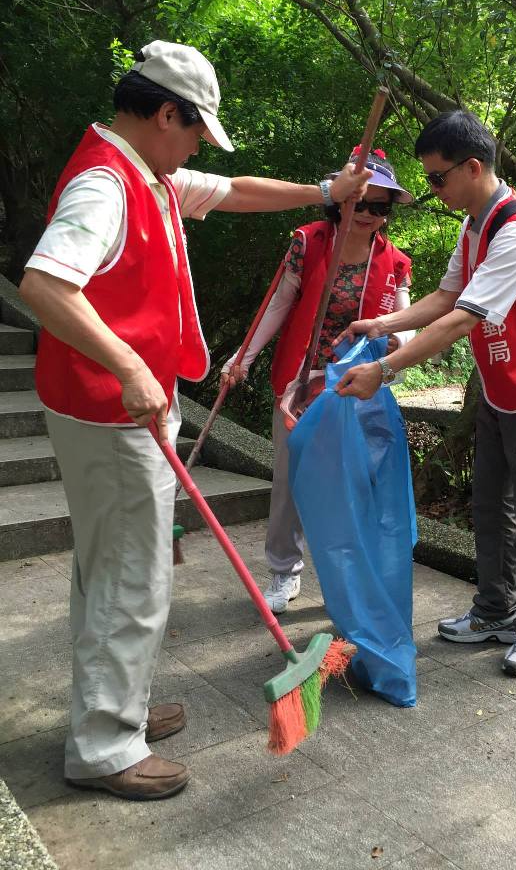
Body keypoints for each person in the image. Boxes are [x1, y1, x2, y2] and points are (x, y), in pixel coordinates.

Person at [19, 40, 370, 801]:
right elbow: (45, 285)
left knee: (113, 568)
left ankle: (120, 708)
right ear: (164, 112)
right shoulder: (107, 186)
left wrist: (323, 190)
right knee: (131, 578)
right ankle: (106, 747)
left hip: (115, 408)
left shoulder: (151, 174)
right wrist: (130, 367)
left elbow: (236, 190)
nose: (195, 150)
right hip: (109, 413)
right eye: (193, 131)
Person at [335, 110, 516, 679]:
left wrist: (388, 371)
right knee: (489, 505)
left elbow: (461, 321)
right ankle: (495, 611)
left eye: (436, 178)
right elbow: (448, 295)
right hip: (502, 387)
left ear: (473, 167)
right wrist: (383, 325)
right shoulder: (475, 224)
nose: (432, 190)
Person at [220, 147, 413, 613]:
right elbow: (280, 303)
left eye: (379, 206)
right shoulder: (308, 241)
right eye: (360, 201)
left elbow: (403, 319)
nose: (367, 213)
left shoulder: (395, 261)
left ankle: (343, 576)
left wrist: (401, 345)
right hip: (299, 383)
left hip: (356, 383)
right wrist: (243, 356)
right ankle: (283, 571)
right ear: (340, 197)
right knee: (291, 480)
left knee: (354, 484)